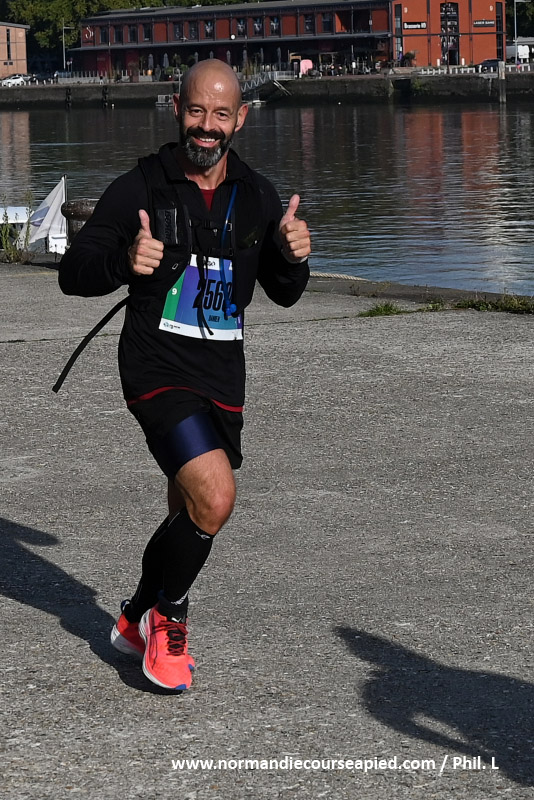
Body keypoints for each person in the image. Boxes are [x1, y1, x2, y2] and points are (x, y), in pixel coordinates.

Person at [58, 59, 311, 692]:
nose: (207, 126)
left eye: (221, 114)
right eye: (197, 111)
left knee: (188, 509)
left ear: (240, 119)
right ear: (176, 108)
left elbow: (284, 292)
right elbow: (74, 271)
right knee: (215, 497)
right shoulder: (140, 186)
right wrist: (124, 260)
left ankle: (135, 616)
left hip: (222, 377)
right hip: (156, 368)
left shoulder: (256, 195)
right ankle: (169, 619)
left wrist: (293, 256)